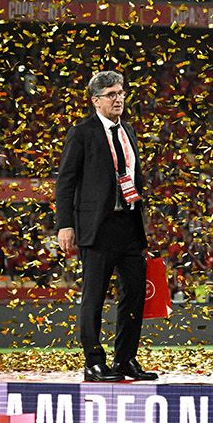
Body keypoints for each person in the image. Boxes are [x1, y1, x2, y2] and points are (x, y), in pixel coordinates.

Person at [55, 70, 157, 383]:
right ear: (96, 100)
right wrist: (65, 225)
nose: (119, 98)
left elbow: (134, 178)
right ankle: (94, 361)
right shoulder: (82, 132)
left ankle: (125, 359)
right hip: (96, 228)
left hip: (128, 224)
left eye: (121, 92)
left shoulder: (128, 131)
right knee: (94, 296)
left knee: (135, 295)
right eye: (111, 94)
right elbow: (66, 181)